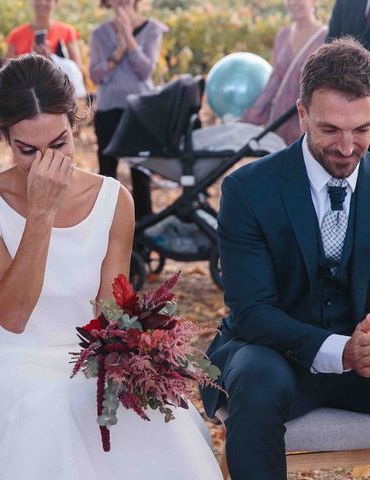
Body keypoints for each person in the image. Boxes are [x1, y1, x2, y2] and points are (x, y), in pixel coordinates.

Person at [0, 54, 223, 480]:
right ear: (4, 138)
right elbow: (13, 317)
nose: (46, 163)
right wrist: (41, 215)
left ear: (75, 125)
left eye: (59, 144)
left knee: (165, 422)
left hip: (85, 358)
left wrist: (137, 353)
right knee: (46, 411)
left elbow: (109, 315)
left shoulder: (113, 199)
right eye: (27, 150)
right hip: (6, 362)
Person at [201, 38, 370, 480]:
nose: (348, 147)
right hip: (272, 354)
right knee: (256, 379)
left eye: (363, 129)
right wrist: (342, 351)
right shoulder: (248, 190)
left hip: (364, 361)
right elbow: (252, 311)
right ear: (300, 115)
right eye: (331, 129)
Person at [89, 0, 167, 220]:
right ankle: (105, 231)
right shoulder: (99, 34)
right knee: (107, 176)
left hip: (140, 112)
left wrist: (128, 37)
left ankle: (143, 240)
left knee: (141, 175)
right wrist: (119, 50)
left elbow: (145, 70)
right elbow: (96, 75)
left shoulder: (152, 29)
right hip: (108, 111)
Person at [242, 0, 326, 145]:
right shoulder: (283, 35)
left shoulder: (326, 37)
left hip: (308, 120)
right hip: (279, 120)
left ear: (314, 2)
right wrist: (252, 117)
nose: (294, 3)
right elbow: (274, 81)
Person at [5, 0, 82, 69]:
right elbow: (5, 68)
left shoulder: (67, 32)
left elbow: (76, 68)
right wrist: (30, 58)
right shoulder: (16, 35)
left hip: (56, 83)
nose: (42, 2)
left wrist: (52, 58)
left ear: (56, 2)